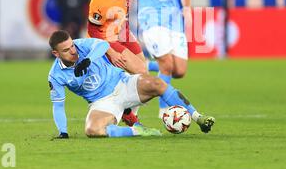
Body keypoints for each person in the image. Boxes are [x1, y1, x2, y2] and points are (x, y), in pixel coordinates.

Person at [47, 30, 215, 138]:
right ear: (56, 54)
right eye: (66, 50)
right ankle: (137, 130)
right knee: (93, 130)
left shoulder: (80, 45)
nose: (73, 51)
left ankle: (198, 117)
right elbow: (58, 105)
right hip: (101, 102)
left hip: (123, 83)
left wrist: (88, 60)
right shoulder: (55, 76)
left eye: (72, 46)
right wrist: (63, 132)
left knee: (157, 84)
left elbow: (103, 44)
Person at [87, 0, 175, 125]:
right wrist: (110, 52)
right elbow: (93, 32)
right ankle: (126, 113)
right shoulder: (102, 0)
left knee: (142, 73)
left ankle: (128, 112)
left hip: (121, 28)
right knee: (141, 73)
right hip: (106, 38)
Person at [135, 0, 192, 118]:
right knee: (167, 64)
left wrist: (187, 9)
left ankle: (142, 64)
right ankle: (165, 110)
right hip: (151, 21)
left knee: (180, 71)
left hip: (175, 22)